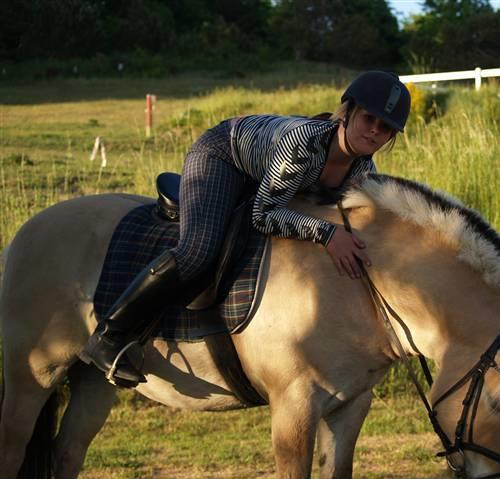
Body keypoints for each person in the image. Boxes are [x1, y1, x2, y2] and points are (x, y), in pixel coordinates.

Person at [79, 70, 412, 387]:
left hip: (265, 170)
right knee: (198, 251)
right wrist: (327, 234)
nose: (373, 131)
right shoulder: (303, 144)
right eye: (369, 118)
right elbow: (263, 215)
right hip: (223, 155)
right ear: (348, 111)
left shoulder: (363, 170)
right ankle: (110, 336)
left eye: (384, 128)